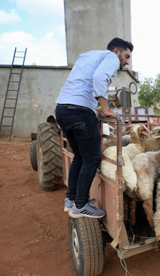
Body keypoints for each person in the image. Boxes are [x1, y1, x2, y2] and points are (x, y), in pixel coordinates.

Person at [55, 37, 133, 218]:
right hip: (79, 112)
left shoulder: (88, 57)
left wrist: (94, 105)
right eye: (127, 56)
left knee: (80, 157)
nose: (127, 62)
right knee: (92, 158)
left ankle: (71, 199)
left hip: (62, 109)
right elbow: (99, 77)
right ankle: (80, 206)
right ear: (116, 51)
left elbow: (85, 82)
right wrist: (105, 109)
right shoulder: (111, 57)